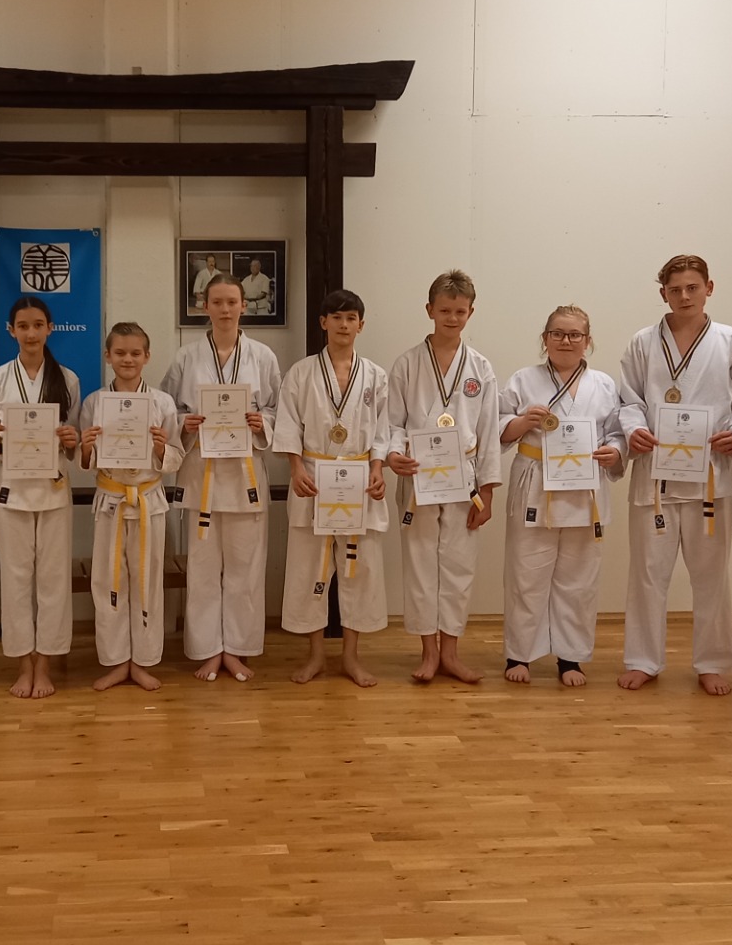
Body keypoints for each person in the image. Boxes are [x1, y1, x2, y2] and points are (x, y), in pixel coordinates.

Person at [616, 255, 732, 696]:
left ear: (709, 288)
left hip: (709, 476)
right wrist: (633, 430)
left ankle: (712, 662)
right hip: (655, 477)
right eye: (675, 289)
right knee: (647, 575)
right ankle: (643, 660)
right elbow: (629, 401)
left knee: (711, 577)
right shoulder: (642, 342)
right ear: (663, 293)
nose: (684, 296)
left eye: (692, 287)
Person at [160, 272, 281, 683]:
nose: (225, 309)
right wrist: (185, 423)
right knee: (203, 570)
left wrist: (261, 421)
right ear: (205, 307)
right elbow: (166, 409)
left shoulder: (263, 356)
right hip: (202, 476)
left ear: (244, 306)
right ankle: (208, 650)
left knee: (246, 569)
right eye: (218, 302)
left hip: (246, 477)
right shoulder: (186, 357)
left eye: (232, 302)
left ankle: (237, 649)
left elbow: (278, 409)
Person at [498, 306, 626, 687]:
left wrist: (615, 451)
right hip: (536, 483)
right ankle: (519, 654)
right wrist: (521, 422)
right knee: (526, 572)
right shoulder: (524, 379)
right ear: (545, 339)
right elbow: (496, 427)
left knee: (579, 578)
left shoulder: (604, 385)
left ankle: (571, 657)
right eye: (557, 333)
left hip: (584, 487)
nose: (566, 341)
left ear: (588, 341)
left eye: (574, 335)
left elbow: (617, 433)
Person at [383, 269, 500, 684]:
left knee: (458, 566)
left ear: (471, 313)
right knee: (419, 564)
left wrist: (488, 491)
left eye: (460, 311)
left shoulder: (481, 367)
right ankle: (428, 652)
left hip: (464, 478)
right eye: (445, 310)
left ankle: (451, 651)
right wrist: (393, 454)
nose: (452, 318)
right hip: (419, 474)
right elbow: (392, 422)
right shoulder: (407, 363)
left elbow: (488, 432)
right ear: (430, 310)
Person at [275, 289, 391, 687]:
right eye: (337, 317)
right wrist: (295, 468)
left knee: (358, 570)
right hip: (313, 477)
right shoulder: (301, 372)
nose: (344, 324)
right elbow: (287, 424)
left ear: (361, 324)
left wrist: (378, 469)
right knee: (310, 568)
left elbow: (383, 429)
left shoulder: (375, 375)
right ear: (323, 322)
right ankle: (316, 656)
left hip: (359, 479)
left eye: (351, 318)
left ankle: (352, 657)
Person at [0, 296, 82, 699]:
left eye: (38, 325)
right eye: (23, 326)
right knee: (16, 579)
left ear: (50, 329)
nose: (31, 333)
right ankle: (24, 664)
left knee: (53, 580)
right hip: (11, 490)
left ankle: (46, 663)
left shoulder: (68, 379)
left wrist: (71, 439)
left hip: (53, 488)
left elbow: (75, 443)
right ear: (11, 331)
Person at [78, 323, 183, 691]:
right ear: (108, 356)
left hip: (148, 499)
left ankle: (143, 661)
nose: (128, 359)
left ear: (147, 357)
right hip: (110, 499)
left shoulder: (162, 402)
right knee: (108, 581)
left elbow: (176, 458)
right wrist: (86, 447)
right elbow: (84, 462)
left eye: (135, 353)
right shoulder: (94, 403)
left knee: (147, 579)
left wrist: (161, 447)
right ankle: (116, 660)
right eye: (120, 353)